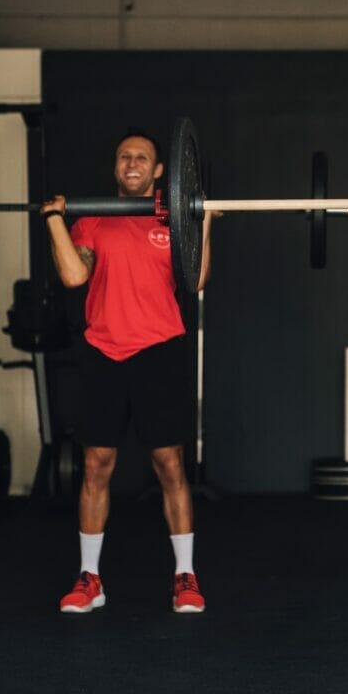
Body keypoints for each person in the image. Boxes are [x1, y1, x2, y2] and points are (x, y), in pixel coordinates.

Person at [43, 127, 212, 615]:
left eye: (142, 157)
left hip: (158, 349)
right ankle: (89, 578)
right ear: (116, 167)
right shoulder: (94, 216)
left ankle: (185, 575)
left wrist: (203, 220)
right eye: (124, 157)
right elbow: (75, 275)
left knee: (170, 465)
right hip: (104, 351)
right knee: (96, 464)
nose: (132, 163)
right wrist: (56, 220)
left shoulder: (172, 215)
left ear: (160, 170)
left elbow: (196, 281)